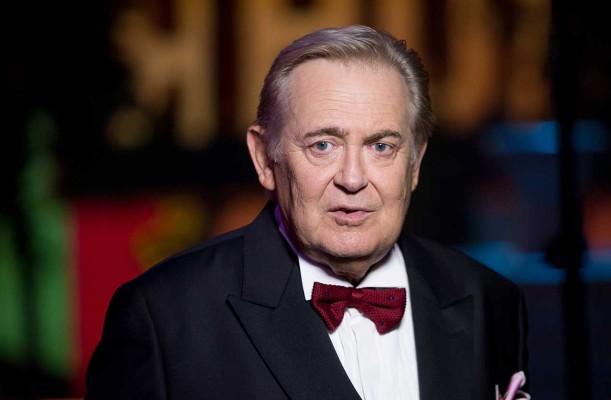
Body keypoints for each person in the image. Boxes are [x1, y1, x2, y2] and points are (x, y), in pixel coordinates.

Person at [85, 25, 529, 400]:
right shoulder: (165, 317)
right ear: (264, 158)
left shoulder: (489, 299)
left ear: (414, 164)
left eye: (381, 146)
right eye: (323, 145)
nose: (352, 178)